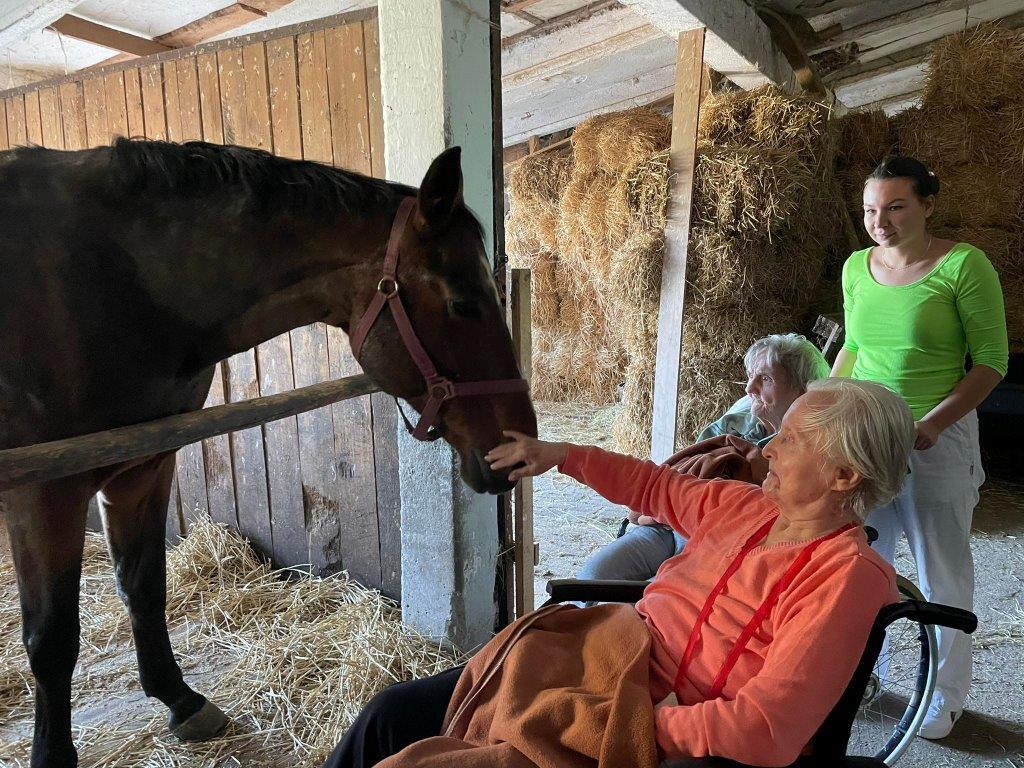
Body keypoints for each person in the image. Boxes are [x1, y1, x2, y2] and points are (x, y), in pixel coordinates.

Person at [323, 378, 915, 768]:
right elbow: (652, 486)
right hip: (607, 658)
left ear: (844, 476)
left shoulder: (846, 577)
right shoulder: (744, 504)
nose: (767, 448)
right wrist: (562, 456)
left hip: (666, 720)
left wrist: (640, 725)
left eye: (791, 439)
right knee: (388, 716)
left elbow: (766, 728)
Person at [832, 154, 1008, 739]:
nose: (879, 222)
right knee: (863, 565)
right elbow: (854, 348)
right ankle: (865, 677)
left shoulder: (963, 266)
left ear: (928, 206)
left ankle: (942, 697)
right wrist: (825, 406)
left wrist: (931, 424)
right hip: (867, 435)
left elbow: (991, 363)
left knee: (940, 572)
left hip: (937, 438)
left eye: (895, 207)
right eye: (869, 210)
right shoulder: (856, 267)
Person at [577, 333, 830, 583]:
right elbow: (687, 471)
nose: (749, 388)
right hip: (668, 526)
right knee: (594, 575)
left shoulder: (809, 451)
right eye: (751, 376)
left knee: (656, 593)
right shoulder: (733, 424)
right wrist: (652, 514)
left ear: (802, 390)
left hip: (719, 542)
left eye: (765, 379)